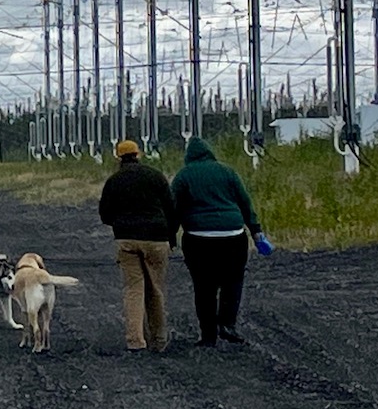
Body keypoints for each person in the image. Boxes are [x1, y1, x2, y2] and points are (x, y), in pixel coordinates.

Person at [170, 136, 265, 347]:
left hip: (198, 238)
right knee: (233, 281)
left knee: (204, 286)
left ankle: (208, 335)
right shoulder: (227, 172)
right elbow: (244, 201)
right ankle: (228, 324)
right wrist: (256, 231)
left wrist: (170, 236)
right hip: (233, 234)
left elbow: (174, 208)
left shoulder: (184, 176)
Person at [98, 138, 177, 353]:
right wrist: (172, 237)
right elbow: (171, 209)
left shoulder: (114, 181)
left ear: (119, 158)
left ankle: (135, 341)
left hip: (127, 240)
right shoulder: (155, 176)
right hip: (157, 238)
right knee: (156, 289)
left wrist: (120, 224)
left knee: (133, 289)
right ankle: (159, 340)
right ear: (138, 154)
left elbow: (104, 214)